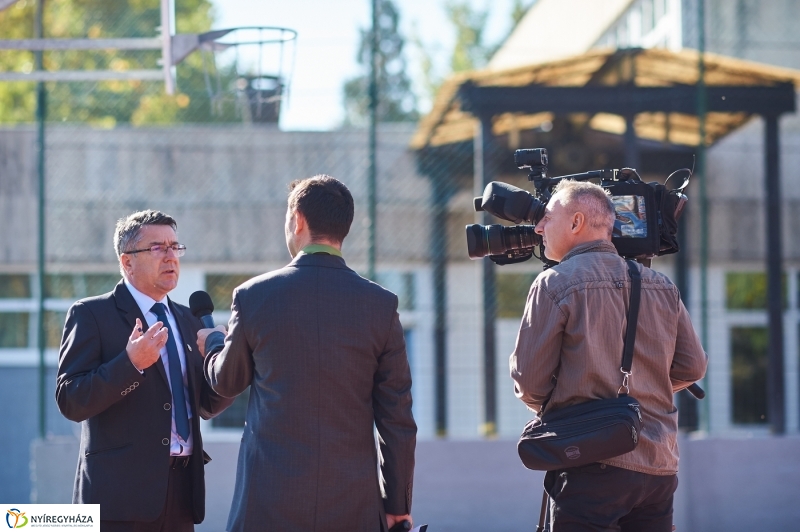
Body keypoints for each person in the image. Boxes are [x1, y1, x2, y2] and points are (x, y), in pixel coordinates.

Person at [199, 175, 417, 532]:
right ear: (343, 227)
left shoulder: (253, 296)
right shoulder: (381, 305)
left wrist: (211, 344)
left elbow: (227, 381)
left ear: (297, 219)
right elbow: (397, 420)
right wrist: (397, 505)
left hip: (268, 501)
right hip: (354, 503)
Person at [510, 180, 707, 531]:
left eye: (547, 216)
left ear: (576, 222)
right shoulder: (661, 285)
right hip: (659, 466)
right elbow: (693, 366)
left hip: (590, 463)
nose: (538, 227)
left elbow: (530, 384)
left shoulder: (553, 282)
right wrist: (641, 390)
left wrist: (586, 396)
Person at [56, 210, 234, 532]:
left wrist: (226, 366)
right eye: (157, 248)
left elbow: (205, 405)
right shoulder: (91, 314)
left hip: (181, 494)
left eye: (175, 247)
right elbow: (71, 399)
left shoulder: (189, 319)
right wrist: (131, 364)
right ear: (127, 263)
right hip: (118, 500)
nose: (170, 257)